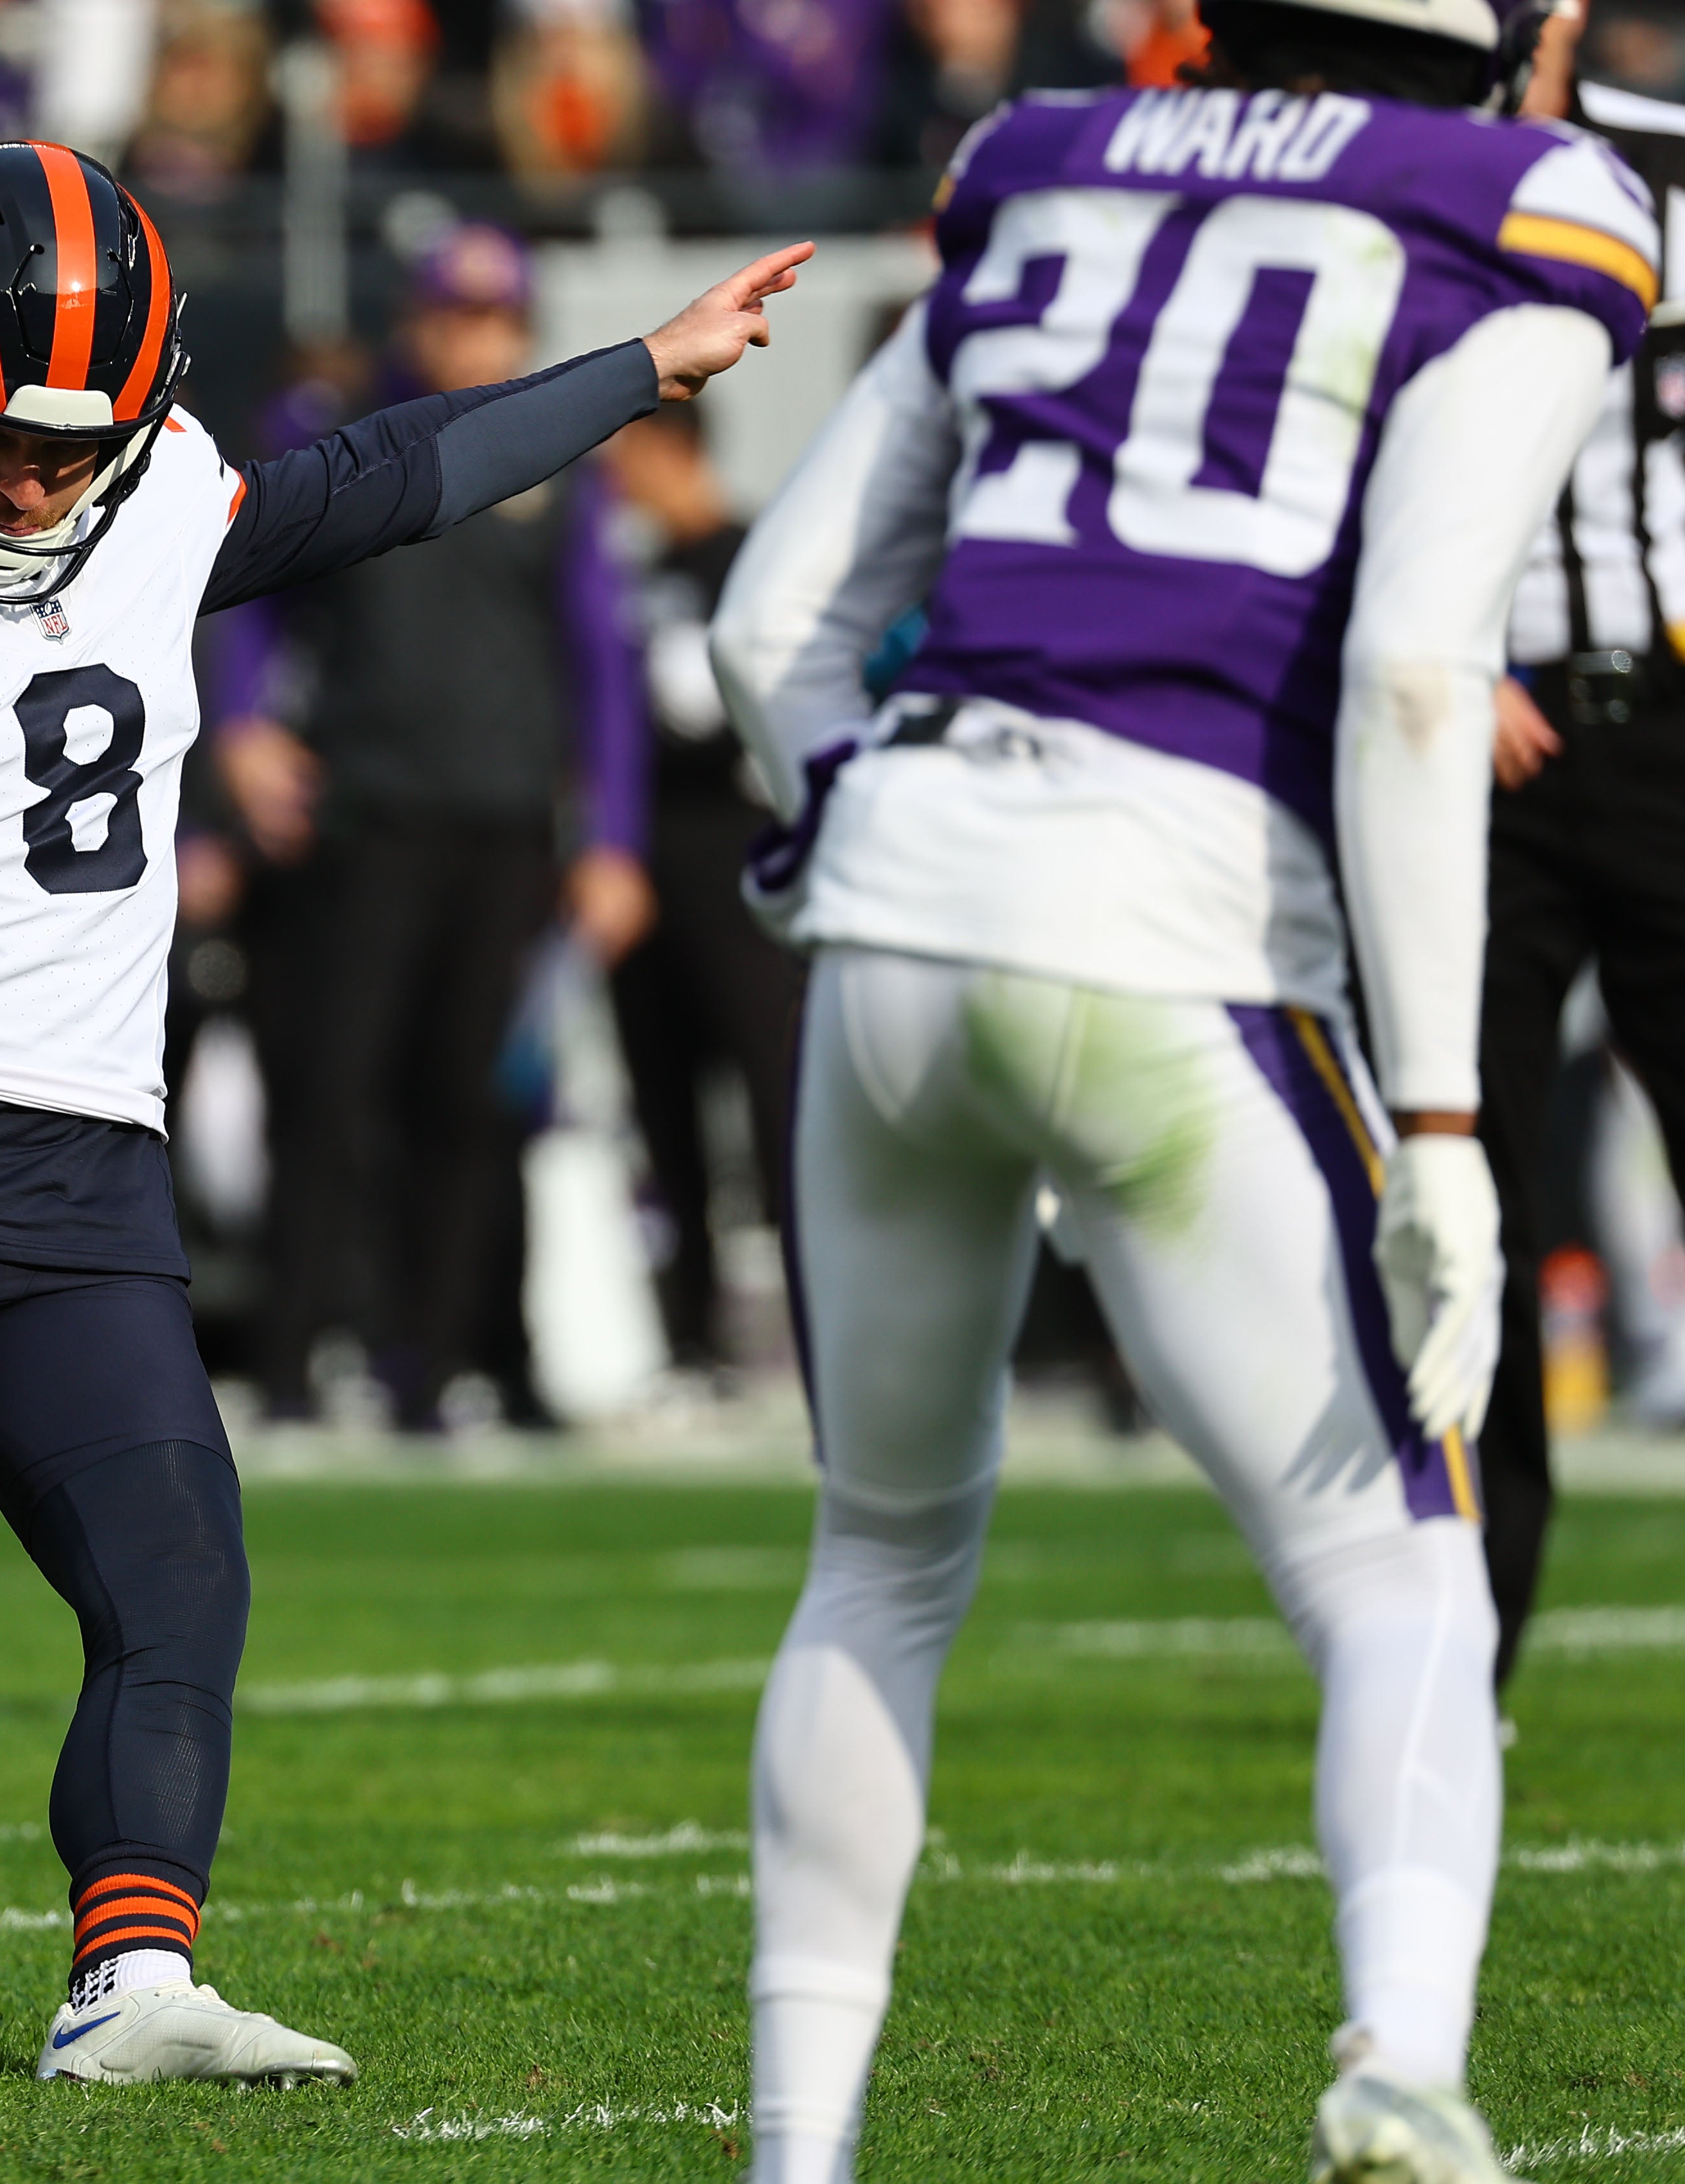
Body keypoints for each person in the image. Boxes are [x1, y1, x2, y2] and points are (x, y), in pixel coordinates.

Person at [0, 139, 805, 2082]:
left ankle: (130, 1978)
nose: (38, 478)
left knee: (176, 1572)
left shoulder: (167, 501)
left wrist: (638, 364)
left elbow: (388, 478)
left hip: (77, 1199)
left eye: (73, 441)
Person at [704, 0, 1648, 2171]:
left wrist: (839, 839)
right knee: (1395, 1569)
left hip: (901, 902)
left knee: (875, 1554)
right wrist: (1434, 1121)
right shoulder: (1521, 203)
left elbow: (770, 635)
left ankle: (792, 2148)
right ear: (1502, 43)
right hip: (1175, 928)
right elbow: (1419, 667)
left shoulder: (1040, 158)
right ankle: (1399, 2058)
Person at [225, 222, 640, 1431]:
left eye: (495, 317)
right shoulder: (351, 442)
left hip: (503, 823)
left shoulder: (566, 461)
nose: (475, 338)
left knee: (472, 1105)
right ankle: (292, 1361)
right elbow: (250, 586)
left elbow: (599, 660)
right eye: (455, 316)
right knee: (328, 1087)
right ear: (414, 323)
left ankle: (436, 1359)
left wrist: (612, 835)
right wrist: (245, 727)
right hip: (370, 811)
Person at [1476, 0, 1685, 1686]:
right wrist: (1439, 651)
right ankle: (1454, 1645)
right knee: (1463, 1182)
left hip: (1665, 723)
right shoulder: (1421, 200)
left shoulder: (1659, 175)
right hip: (1485, 727)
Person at [588, 398, 805, 1374]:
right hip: (644, 862)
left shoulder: (753, 554)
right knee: (661, 1097)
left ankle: (818, 1326)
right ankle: (691, 1334)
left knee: (777, 1094)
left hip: (738, 853)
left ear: (671, 446)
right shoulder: (626, 566)